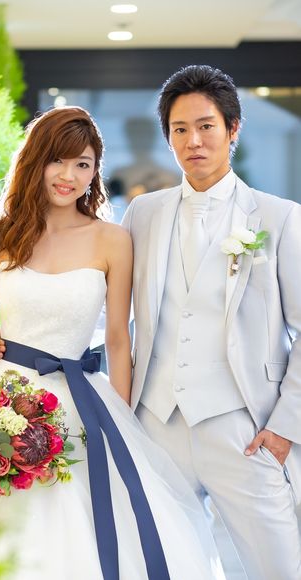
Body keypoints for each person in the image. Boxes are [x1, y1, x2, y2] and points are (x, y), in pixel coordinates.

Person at [0, 105, 224, 579]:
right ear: (35, 162)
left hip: (84, 403)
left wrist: (121, 422)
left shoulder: (112, 240)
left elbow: (120, 340)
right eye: (57, 161)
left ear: (95, 171)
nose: (69, 176)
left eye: (83, 164)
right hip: (2, 398)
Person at [121, 65, 301, 580]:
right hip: (155, 423)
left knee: (279, 568)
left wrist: (284, 428)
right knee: (167, 565)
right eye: (180, 129)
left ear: (232, 129)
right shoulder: (142, 214)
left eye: (206, 126)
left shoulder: (279, 217)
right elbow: (107, 306)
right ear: (168, 137)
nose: (193, 141)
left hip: (245, 427)